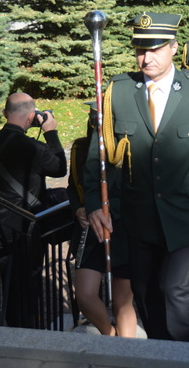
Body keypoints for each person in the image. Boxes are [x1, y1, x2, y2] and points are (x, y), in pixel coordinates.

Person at [85, 12, 189, 343]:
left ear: (174, 48)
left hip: (186, 213)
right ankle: (160, 348)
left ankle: (177, 353)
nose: (146, 58)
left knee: (173, 286)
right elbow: (98, 154)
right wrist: (94, 202)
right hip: (138, 213)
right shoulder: (118, 91)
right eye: (140, 50)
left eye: (155, 49)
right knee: (144, 287)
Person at [0, 92, 67, 329]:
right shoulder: (32, 147)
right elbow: (59, 168)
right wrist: (50, 132)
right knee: (29, 278)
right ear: (31, 117)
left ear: (5, 113)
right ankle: (28, 329)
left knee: (7, 276)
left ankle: (12, 323)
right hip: (26, 224)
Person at [69, 107, 136, 338]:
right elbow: (74, 186)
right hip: (92, 230)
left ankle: (125, 354)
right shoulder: (80, 148)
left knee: (123, 302)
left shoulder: (127, 146)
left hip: (123, 228)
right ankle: (110, 335)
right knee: (85, 295)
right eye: (94, 120)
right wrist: (78, 208)